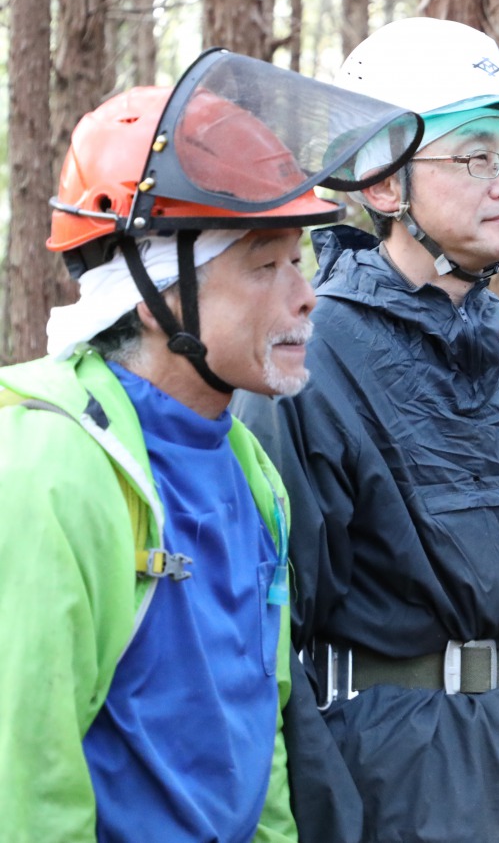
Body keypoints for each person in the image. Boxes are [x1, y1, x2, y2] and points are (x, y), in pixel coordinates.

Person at [0, 54, 418, 841]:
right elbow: (24, 783)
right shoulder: (53, 467)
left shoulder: (248, 468)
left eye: (300, 261)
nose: (304, 296)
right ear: (156, 297)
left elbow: (257, 742)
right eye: (266, 267)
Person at [234, 17, 499, 843]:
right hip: (377, 778)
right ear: (381, 184)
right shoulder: (311, 357)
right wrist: (324, 799)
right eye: (475, 156)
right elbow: (270, 622)